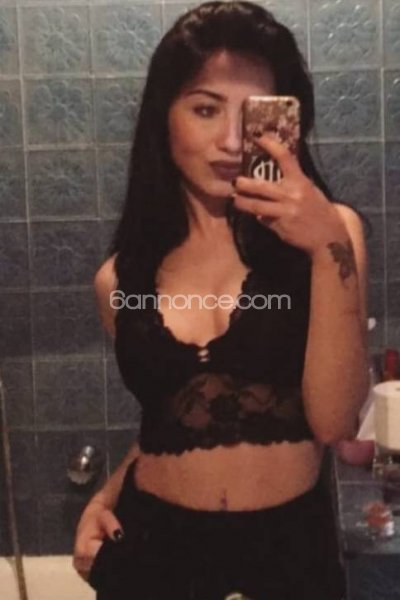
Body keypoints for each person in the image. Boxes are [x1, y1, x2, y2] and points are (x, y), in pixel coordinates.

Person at [73, 2, 370, 599]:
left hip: (289, 552)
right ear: (164, 117)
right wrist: (105, 494)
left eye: (253, 114)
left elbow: (335, 421)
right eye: (205, 109)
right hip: (154, 552)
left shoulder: (331, 234)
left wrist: (327, 247)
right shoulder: (119, 279)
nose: (233, 140)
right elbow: (170, 418)